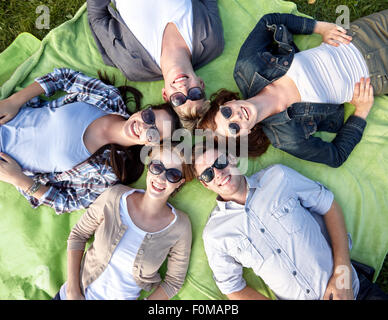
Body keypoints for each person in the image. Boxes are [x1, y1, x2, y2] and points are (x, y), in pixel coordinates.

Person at [191, 142, 388, 300]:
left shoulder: (278, 177)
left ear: (232, 158)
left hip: (353, 291)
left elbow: (328, 205)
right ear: (204, 184)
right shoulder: (215, 234)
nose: (218, 173)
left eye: (220, 162)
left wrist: (342, 277)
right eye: (208, 174)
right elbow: (231, 287)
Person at [197, 10, 388, 167]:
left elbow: (268, 22)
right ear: (245, 134)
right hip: (379, 76)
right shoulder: (288, 138)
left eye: (227, 112)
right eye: (234, 128)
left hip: (360, 35)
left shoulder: (247, 67)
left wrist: (320, 27)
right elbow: (336, 156)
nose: (237, 117)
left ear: (228, 102)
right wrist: (361, 112)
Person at [0, 68, 180, 214]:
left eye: (153, 133)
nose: (144, 127)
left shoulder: (110, 172)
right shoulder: (108, 98)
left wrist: (20, 180)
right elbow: (64, 77)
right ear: (143, 111)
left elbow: (68, 201)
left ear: (151, 145)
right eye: (149, 117)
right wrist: (14, 101)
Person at [54, 144, 193, 300]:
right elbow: (78, 235)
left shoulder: (181, 226)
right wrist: (73, 291)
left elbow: (173, 282)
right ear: (149, 166)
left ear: (179, 182)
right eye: (157, 167)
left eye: (173, 174)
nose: (161, 178)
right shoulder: (114, 196)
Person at [87, 0, 224, 130]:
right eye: (194, 94)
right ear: (201, 84)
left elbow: (98, 18)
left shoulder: (133, 66)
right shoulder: (212, 43)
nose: (183, 88)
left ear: (165, 94)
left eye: (178, 99)